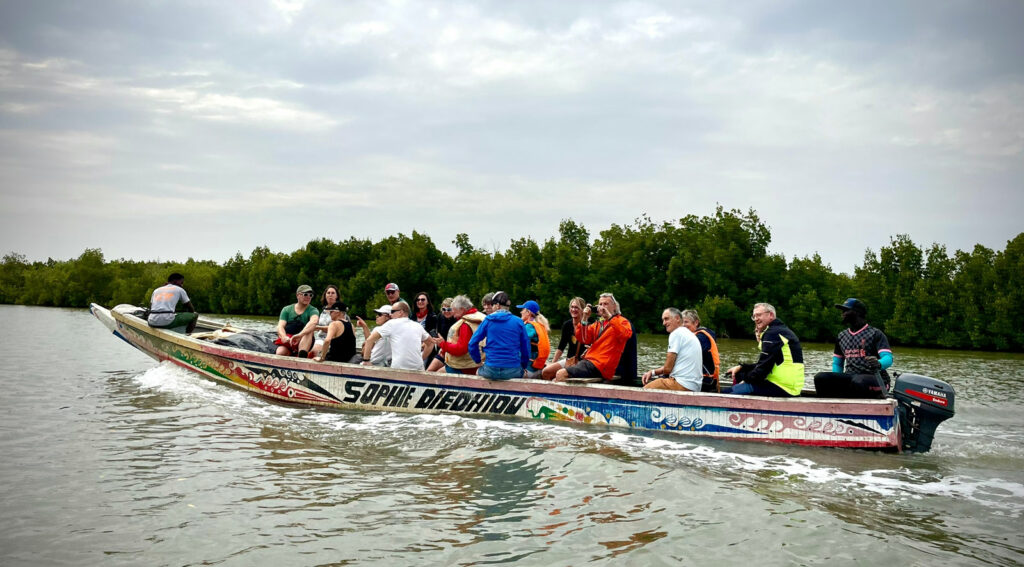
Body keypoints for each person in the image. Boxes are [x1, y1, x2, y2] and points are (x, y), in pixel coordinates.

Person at [813, 298, 894, 399]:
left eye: (845, 310)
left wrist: (879, 363)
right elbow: (837, 363)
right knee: (821, 378)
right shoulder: (841, 336)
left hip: (878, 381)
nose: (842, 313)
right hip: (852, 378)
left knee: (858, 381)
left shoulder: (875, 334)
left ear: (857, 312)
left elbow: (888, 358)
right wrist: (835, 380)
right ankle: (829, 408)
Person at [723, 303, 804, 397]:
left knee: (726, 393)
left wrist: (745, 380)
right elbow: (767, 363)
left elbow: (762, 370)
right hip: (789, 387)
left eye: (759, 315)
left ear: (771, 315)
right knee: (740, 375)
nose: (756, 319)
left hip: (782, 387)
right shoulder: (780, 330)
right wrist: (742, 367)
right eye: (754, 316)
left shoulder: (773, 333)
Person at [553, 293, 632, 383]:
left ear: (614, 306)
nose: (602, 307)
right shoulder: (598, 324)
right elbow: (583, 338)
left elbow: (625, 335)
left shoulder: (622, 321)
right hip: (590, 362)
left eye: (606, 304)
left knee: (560, 374)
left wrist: (609, 317)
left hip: (601, 366)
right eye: (600, 304)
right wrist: (584, 318)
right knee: (555, 377)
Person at [468, 291, 531, 380]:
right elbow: (526, 348)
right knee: (525, 374)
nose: (492, 307)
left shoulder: (488, 321)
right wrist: (523, 365)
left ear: (497, 305)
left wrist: (478, 361)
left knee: (477, 372)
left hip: (490, 370)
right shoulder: (518, 322)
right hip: (513, 370)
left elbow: (472, 343)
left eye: (492, 305)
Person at [642, 308, 703, 392]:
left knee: (644, 390)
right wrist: (653, 372)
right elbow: (672, 366)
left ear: (677, 318)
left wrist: (656, 373)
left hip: (682, 384)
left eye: (666, 319)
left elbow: (667, 369)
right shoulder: (688, 333)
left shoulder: (676, 333)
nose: (664, 323)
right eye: (663, 320)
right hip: (694, 387)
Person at [361, 300, 432, 371]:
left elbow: (370, 340)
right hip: (418, 368)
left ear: (401, 312)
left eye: (392, 312)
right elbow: (431, 343)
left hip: (399, 369)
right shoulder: (417, 325)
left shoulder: (392, 323)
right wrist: (422, 359)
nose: (390, 315)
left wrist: (366, 361)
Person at [434, 295, 486, 374]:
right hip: (482, 364)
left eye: (454, 310)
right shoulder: (482, 317)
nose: (453, 314)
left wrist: (442, 344)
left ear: (462, 309)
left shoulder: (465, 324)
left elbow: (461, 349)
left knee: (437, 377)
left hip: (464, 367)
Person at [539, 297, 588, 379]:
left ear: (583, 310)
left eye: (576, 307)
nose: (573, 309)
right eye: (572, 307)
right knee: (546, 372)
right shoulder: (567, 325)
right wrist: (553, 362)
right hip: (569, 361)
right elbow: (561, 347)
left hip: (582, 363)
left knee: (560, 375)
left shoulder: (588, 326)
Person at [681, 309, 721, 392]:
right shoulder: (701, 335)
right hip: (703, 380)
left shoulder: (701, 338)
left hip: (704, 381)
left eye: (686, 322)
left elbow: (684, 358)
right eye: (682, 322)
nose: (683, 325)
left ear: (696, 322)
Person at [274, 285, 320, 357]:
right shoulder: (286, 309)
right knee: (280, 352)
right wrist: (283, 337)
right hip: (289, 338)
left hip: (304, 339)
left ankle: (302, 354)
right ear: (298, 295)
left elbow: (313, 322)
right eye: (305, 294)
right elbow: (280, 326)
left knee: (310, 330)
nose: (308, 297)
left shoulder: (313, 310)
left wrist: (299, 335)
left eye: (310, 295)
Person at [517, 300, 550, 377]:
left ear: (528, 312)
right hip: (537, 368)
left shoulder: (529, 327)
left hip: (529, 370)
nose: (521, 312)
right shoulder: (539, 325)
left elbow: (514, 340)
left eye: (522, 310)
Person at [311, 284, 343, 358]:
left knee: (315, 351)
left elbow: (337, 329)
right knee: (311, 350)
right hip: (320, 338)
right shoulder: (323, 310)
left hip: (333, 340)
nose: (330, 295)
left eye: (333, 293)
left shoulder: (340, 311)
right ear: (325, 295)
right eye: (328, 293)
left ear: (337, 296)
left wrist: (319, 327)